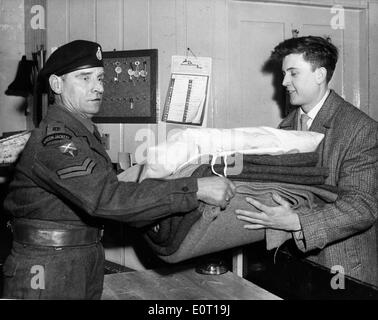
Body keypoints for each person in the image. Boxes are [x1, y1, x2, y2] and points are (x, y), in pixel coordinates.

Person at [1, 40, 236, 299]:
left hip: (78, 256)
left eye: (100, 78)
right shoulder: (55, 140)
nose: (98, 87)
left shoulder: (81, 133)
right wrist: (196, 189)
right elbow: (106, 198)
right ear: (57, 84)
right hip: (47, 265)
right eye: (85, 78)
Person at [235, 36, 378, 285]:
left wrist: (297, 221)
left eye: (293, 73)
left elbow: (362, 207)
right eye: (283, 73)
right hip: (296, 266)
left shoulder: (361, 129)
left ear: (319, 74)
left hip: (342, 269)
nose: (284, 82)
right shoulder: (287, 126)